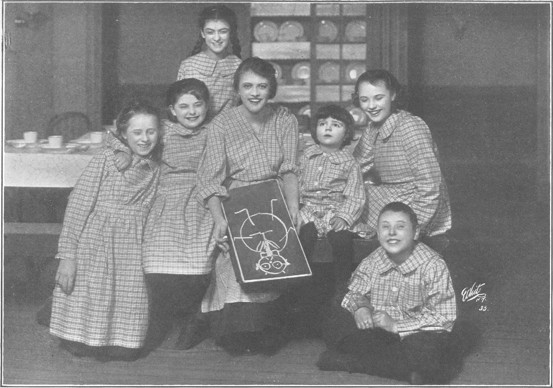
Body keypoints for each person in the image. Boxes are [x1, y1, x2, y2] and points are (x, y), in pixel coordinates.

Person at [197, 57, 300, 355]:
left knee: (278, 246)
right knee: (235, 252)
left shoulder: (285, 120)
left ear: (271, 89)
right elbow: (210, 182)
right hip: (236, 199)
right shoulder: (222, 124)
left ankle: (267, 326)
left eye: (262, 86)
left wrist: (293, 207)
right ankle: (235, 327)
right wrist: (219, 219)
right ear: (237, 90)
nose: (255, 93)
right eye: (248, 86)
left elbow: (290, 170)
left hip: (274, 195)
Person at [108, 79, 217, 353]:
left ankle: (197, 316)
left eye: (197, 105)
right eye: (183, 106)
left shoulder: (214, 131)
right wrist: (123, 151)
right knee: (155, 258)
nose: (191, 111)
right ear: (172, 109)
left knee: (199, 258)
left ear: (207, 106)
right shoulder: (163, 130)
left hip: (201, 199)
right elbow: (123, 133)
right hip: (164, 199)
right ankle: (156, 317)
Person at [49, 100, 162, 361]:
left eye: (151, 132)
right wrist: (68, 255)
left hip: (131, 246)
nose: (145, 139)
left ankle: (120, 339)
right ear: (123, 134)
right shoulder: (106, 159)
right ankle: (81, 335)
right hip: (96, 241)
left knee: (127, 349)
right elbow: (78, 206)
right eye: (137, 133)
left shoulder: (156, 166)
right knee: (88, 308)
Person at [317, 202, 459, 384]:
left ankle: (353, 363)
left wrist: (396, 326)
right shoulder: (372, 261)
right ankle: (405, 371)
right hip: (378, 335)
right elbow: (354, 292)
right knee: (337, 320)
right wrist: (361, 308)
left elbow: (443, 317)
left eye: (400, 227)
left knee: (430, 352)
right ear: (377, 232)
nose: (391, 233)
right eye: (385, 227)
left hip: (412, 334)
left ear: (415, 233)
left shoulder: (433, 265)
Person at [289, 105, 365, 336]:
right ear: (315, 130)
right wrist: (297, 210)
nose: (328, 128)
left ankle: (342, 285)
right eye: (322, 124)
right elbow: (295, 186)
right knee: (306, 234)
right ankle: (301, 286)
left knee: (341, 238)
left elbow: (355, 193)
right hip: (308, 208)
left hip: (335, 209)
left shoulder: (350, 163)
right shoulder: (304, 158)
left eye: (336, 125)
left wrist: (344, 216)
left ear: (347, 132)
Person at [352, 69, 451, 244]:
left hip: (418, 203)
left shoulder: (410, 127)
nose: (371, 106)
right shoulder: (372, 129)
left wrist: (414, 225)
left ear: (393, 95)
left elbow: (430, 184)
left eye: (378, 98)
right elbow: (354, 168)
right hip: (390, 195)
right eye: (364, 100)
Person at [177, 4, 242, 120]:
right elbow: (179, 107)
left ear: (231, 32)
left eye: (223, 31)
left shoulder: (240, 67)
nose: (217, 38)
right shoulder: (188, 66)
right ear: (202, 33)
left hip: (228, 132)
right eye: (210, 32)